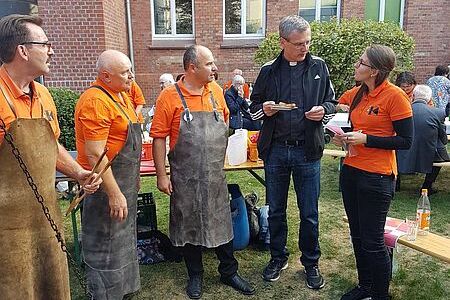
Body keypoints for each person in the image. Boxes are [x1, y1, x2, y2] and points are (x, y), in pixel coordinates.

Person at [0, 14, 100, 299]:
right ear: (22, 50)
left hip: (47, 221)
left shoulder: (43, 94)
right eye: (45, 44)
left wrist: (78, 173)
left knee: (53, 288)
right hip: (7, 231)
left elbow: (49, 145)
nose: (51, 50)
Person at [151, 45, 255, 299]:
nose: (214, 68)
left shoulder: (216, 92)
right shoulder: (169, 97)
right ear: (191, 68)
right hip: (184, 179)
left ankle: (229, 272)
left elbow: (226, 123)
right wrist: (162, 175)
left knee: (221, 223)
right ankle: (195, 275)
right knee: (190, 226)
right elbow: (158, 138)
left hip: (214, 176)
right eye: (209, 64)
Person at [249, 15, 336, 288]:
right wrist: (265, 109)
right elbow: (253, 107)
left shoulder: (319, 66)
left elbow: (331, 102)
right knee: (276, 210)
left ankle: (311, 262)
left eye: (308, 42)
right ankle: (278, 257)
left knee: (309, 211)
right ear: (282, 42)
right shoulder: (268, 70)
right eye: (299, 43)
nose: (305, 48)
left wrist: (324, 111)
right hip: (275, 151)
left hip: (307, 151)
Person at [333, 44, 413, 300]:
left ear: (375, 71)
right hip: (351, 171)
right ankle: (365, 285)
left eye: (361, 62)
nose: (356, 65)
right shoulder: (358, 93)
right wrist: (344, 138)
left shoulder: (395, 96)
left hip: (377, 177)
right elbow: (345, 117)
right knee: (357, 235)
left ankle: (381, 294)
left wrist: (366, 139)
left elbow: (405, 141)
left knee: (373, 241)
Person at [75, 49, 142, 299]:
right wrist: (114, 193)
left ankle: (123, 291)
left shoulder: (120, 95)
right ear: (105, 75)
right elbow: (95, 155)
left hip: (124, 181)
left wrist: (132, 179)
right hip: (103, 188)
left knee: (122, 242)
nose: (131, 77)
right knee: (103, 246)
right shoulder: (95, 101)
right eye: (125, 72)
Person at [397, 85, 449, 195]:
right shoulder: (438, 113)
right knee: (439, 153)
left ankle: (396, 184)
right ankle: (427, 186)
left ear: (413, 96)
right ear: (430, 99)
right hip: (428, 154)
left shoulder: (401, 110)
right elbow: (443, 139)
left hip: (401, 152)